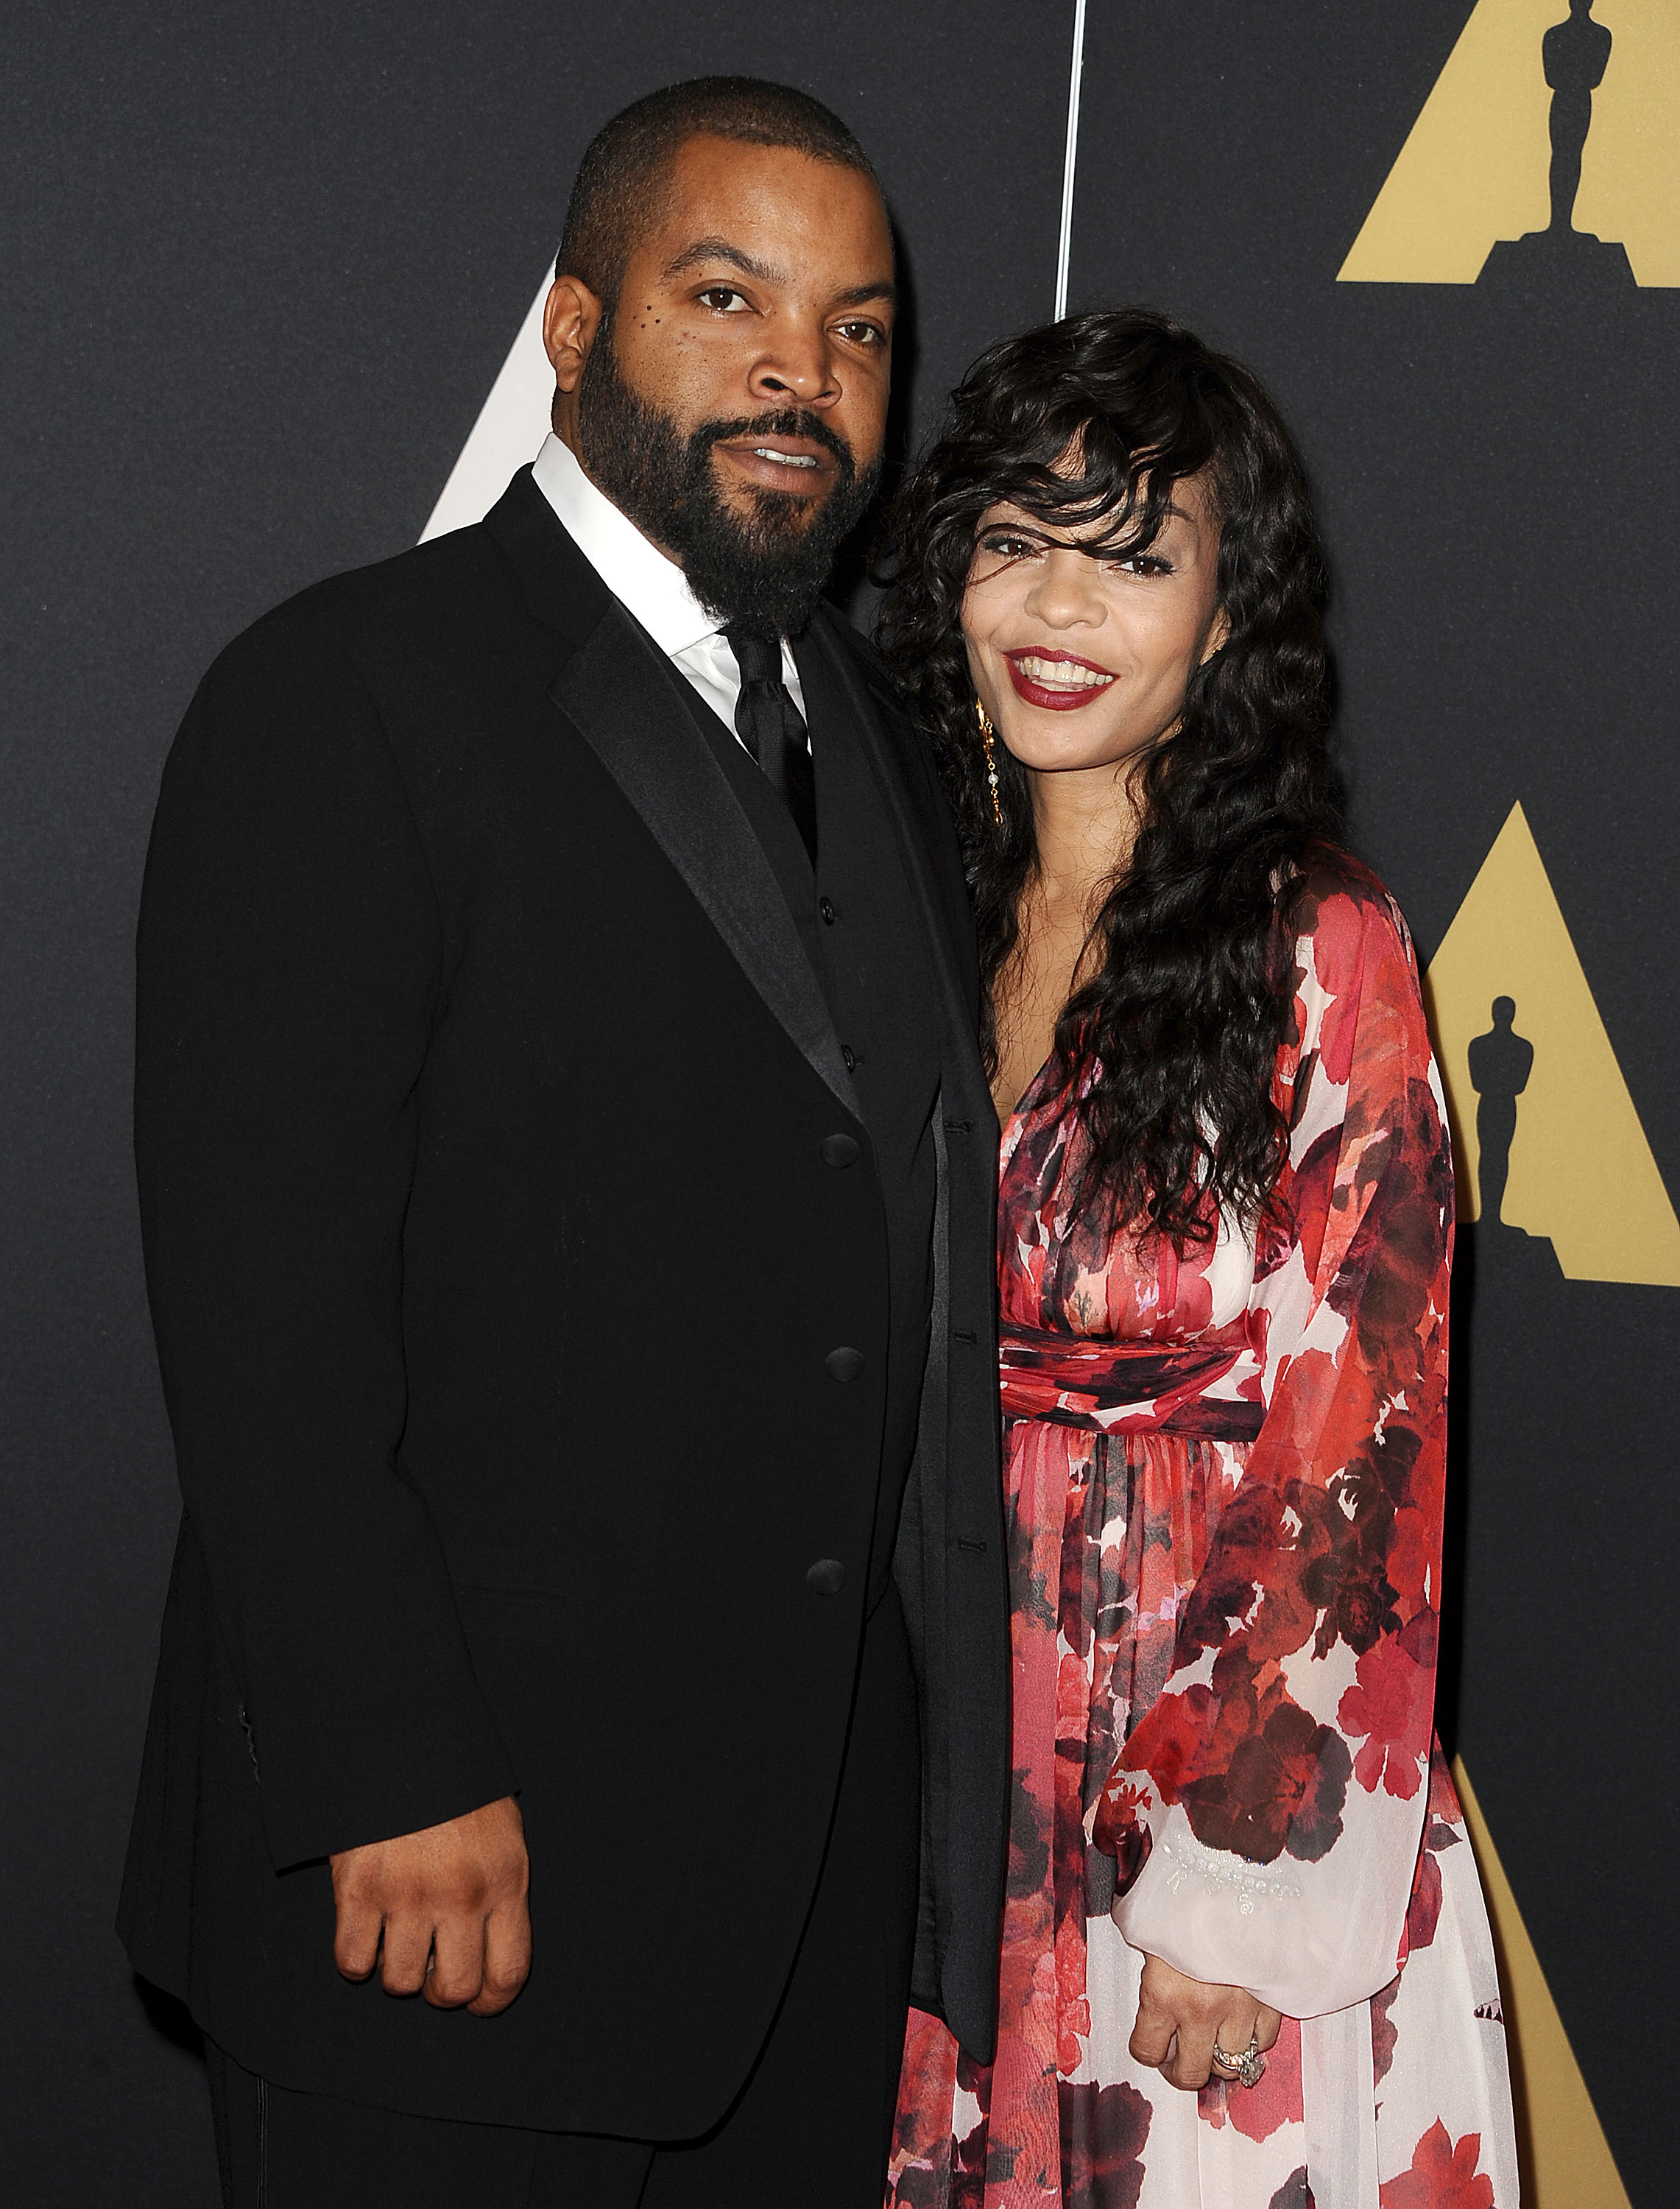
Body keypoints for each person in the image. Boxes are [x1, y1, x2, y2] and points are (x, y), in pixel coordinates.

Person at [119, 77, 1009, 2209]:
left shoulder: (888, 735)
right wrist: (384, 1770)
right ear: (575, 327)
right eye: (728, 298)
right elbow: (262, 1311)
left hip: (798, 1926)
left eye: (858, 328)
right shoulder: (345, 691)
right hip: (442, 1892)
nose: (802, 371)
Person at [878, 311, 1520, 2208]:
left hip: (1210, 1765)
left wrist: (1236, 1881)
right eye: (1016, 540)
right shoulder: (901, 915)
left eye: (1134, 557)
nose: (1058, 607)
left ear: (1230, 617)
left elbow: (1361, 1439)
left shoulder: (1318, 944)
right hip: (941, 1763)